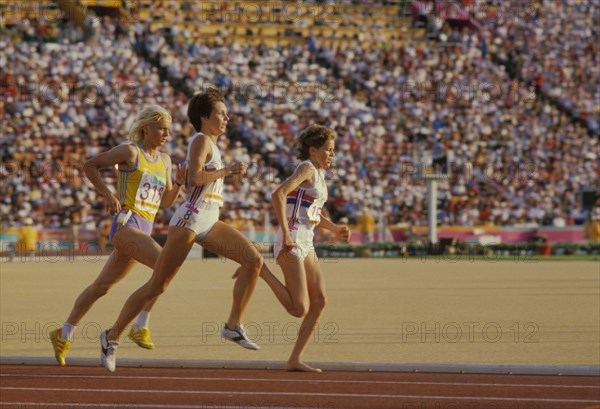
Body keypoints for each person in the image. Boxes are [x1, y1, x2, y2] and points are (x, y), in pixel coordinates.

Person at [99, 88, 263, 372]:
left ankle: (233, 326)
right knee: (158, 285)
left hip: (210, 219)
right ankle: (111, 337)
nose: (227, 118)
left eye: (226, 113)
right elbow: (194, 178)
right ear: (204, 117)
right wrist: (228, 171)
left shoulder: (212, 143)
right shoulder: (200, 140)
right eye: (221, 114)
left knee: (253, 260)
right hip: (189, 220)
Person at [49, 105, 186, 366]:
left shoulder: (166, 160)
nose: (167, 134)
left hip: (144, 229)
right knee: (165, 266)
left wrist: (179, 183)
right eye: (162, 129)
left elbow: (166, 202)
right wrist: (108, 195)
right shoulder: (130, 151)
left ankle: (63, 333)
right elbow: (90, 166)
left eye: (169, 129)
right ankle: (137, 326)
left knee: (100, 288)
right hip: (126, 226)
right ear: (146, 128)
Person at [238, 124, 350, 372]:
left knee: (319, 301)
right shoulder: (307, 168)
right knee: (299, 308)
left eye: (333, 150)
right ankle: (260, 268)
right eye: (328, 150)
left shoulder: (319, 174)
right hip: (292, 239)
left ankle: (295, 359)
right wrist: (286, 234)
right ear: (312, 150)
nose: (332, 154)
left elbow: (313, 214)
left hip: (306, 240)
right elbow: (278, 195)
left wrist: (335, 229)